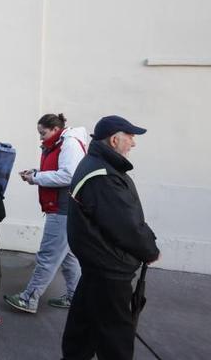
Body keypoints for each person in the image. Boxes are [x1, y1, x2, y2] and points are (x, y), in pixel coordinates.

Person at [62, 116, 159, 360]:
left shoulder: (98, 166)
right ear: (115, 140)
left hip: (98, 264)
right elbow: (125, 225)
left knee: (83, 329)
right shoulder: (103, 175)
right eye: (131, 137)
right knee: (116, 338)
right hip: (109, 267)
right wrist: (150, 250)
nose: (133, 144)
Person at [5, 113, 87, 315]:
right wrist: (35, 172)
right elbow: (61, 170)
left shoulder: (69, 144)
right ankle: (75, 296)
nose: (41, 138)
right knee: (68, 256)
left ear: (55, 129)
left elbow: (68, 175)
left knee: (48, 256)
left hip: (62, 208)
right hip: (65, 207)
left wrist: (36, 178)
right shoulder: (63, 142)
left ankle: (29, 299)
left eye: (43, 133)